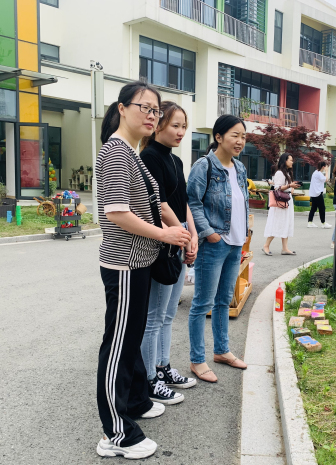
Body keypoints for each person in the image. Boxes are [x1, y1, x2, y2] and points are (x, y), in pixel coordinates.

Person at [94, 81, 192, 460]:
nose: (151, 115)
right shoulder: (116, 153)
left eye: (155, 110)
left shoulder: (131, 153)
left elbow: (157, 202)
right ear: (122, 108)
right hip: (123, 265)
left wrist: (180, 232)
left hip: (138, 264)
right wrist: (165, 234)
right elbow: (117, 213)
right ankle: (115, 434)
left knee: (131, 340)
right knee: (117, 347)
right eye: (144, 108)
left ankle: (134, 402)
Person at [139, 101, 198, 406]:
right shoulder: (149, 157)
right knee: (154, 316)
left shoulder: (175, 160)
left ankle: (162, 368)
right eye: (175, 125)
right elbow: (159, 205)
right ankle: (149, 379)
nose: (180, 132)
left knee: (169, 314)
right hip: (162, 241)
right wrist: (183, 236)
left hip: (179, 237)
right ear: (158, 125)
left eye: (184, 126)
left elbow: (182, 202)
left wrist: (192, 235)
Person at [187, 114, 250, 383]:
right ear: (219, 137)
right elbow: (192, 201)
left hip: (235, 244)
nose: (240, 141)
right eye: (235, 135)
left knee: (224, 301)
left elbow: (242, 200)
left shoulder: (240, 167)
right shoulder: (204, 166)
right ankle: (197, 359)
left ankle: (222, 351)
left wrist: (244, 232)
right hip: (214, 244)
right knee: (202, 303)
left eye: (243, 136)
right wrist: (209, 233)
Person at [262, 153, 300, 256]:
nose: (292, 162)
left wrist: (291, 187)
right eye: (290, 160)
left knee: (286, 223)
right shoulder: (279, 173)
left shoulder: (287, 172)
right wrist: (289, 185)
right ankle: (266, 245)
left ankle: (285, 248)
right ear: (285, 161)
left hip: (287, 200)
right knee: (277, 223)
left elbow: (286, 187)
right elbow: (277, 187)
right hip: (281, 202)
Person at [307, 161, 331, 229]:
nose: (326, 168)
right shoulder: (319, 174)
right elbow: (326, 179)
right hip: (317, 193)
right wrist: (326, 171)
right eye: (325, 167)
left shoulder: (315, 172)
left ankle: (310, 222)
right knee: (322, 208)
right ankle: (323, 223)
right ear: (323, 167)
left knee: (314, 208)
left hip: (313, 193)